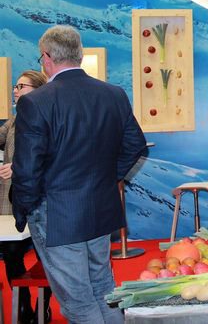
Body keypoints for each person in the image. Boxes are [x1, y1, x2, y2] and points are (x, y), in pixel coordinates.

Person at [11, 25, 147, 323]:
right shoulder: (113, 94)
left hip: (57, 215)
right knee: (104, 288)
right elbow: (135, 145)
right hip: (99, 207)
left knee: (78, 301)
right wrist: (107, 178)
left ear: (47, 57)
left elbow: (27, 170)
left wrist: (24, 210)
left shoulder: (35, 102)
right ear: (80, 55)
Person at [0, 70, 52, 323]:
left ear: (38, 90)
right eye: (15, 86)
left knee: (46, 258)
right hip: (13, 201)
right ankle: (23, 308)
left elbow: (51, 157)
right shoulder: (13, 121)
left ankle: (44, 306)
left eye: (22, 86)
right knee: (11, 253)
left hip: (42, 200)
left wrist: (19, 167)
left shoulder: (48, 117)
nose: (15, 90)